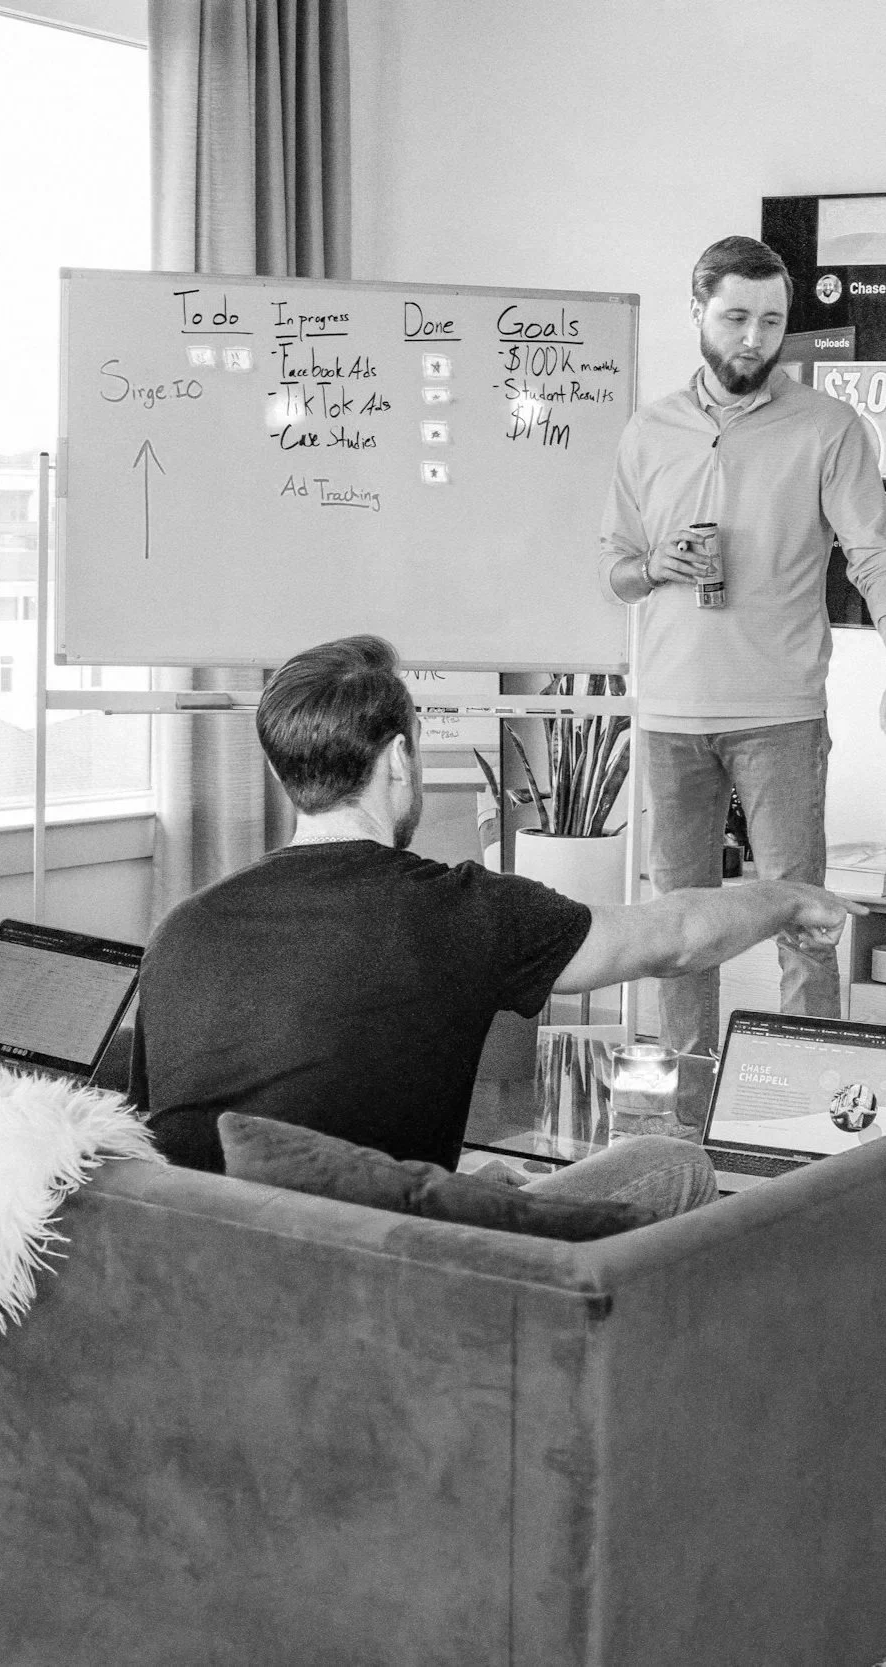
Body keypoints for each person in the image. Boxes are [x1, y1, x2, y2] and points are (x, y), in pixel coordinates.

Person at [130, 635, 859, 1215]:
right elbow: (673, 939)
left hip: (212, 1278)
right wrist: (789, 897)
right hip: (398, 1272)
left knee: (492, 1171)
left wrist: (457, 1186)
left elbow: (158, 1140)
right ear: (399, 760)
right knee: (675, 1164)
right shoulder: (461, 911)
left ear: (281, 769)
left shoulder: (180, 929)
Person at [599, 234, 886, 1056]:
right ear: (697, 311)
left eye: (770, 321)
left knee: (802, 922)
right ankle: (684, 1108)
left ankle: (803, 1111)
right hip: (669, 715)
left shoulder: (828, 427)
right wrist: (652, 565)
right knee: (678, 931)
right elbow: (614, 571)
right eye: (735, 318)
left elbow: (872, 554)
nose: (754, 338)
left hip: (779, 714)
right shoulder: (647, 430)